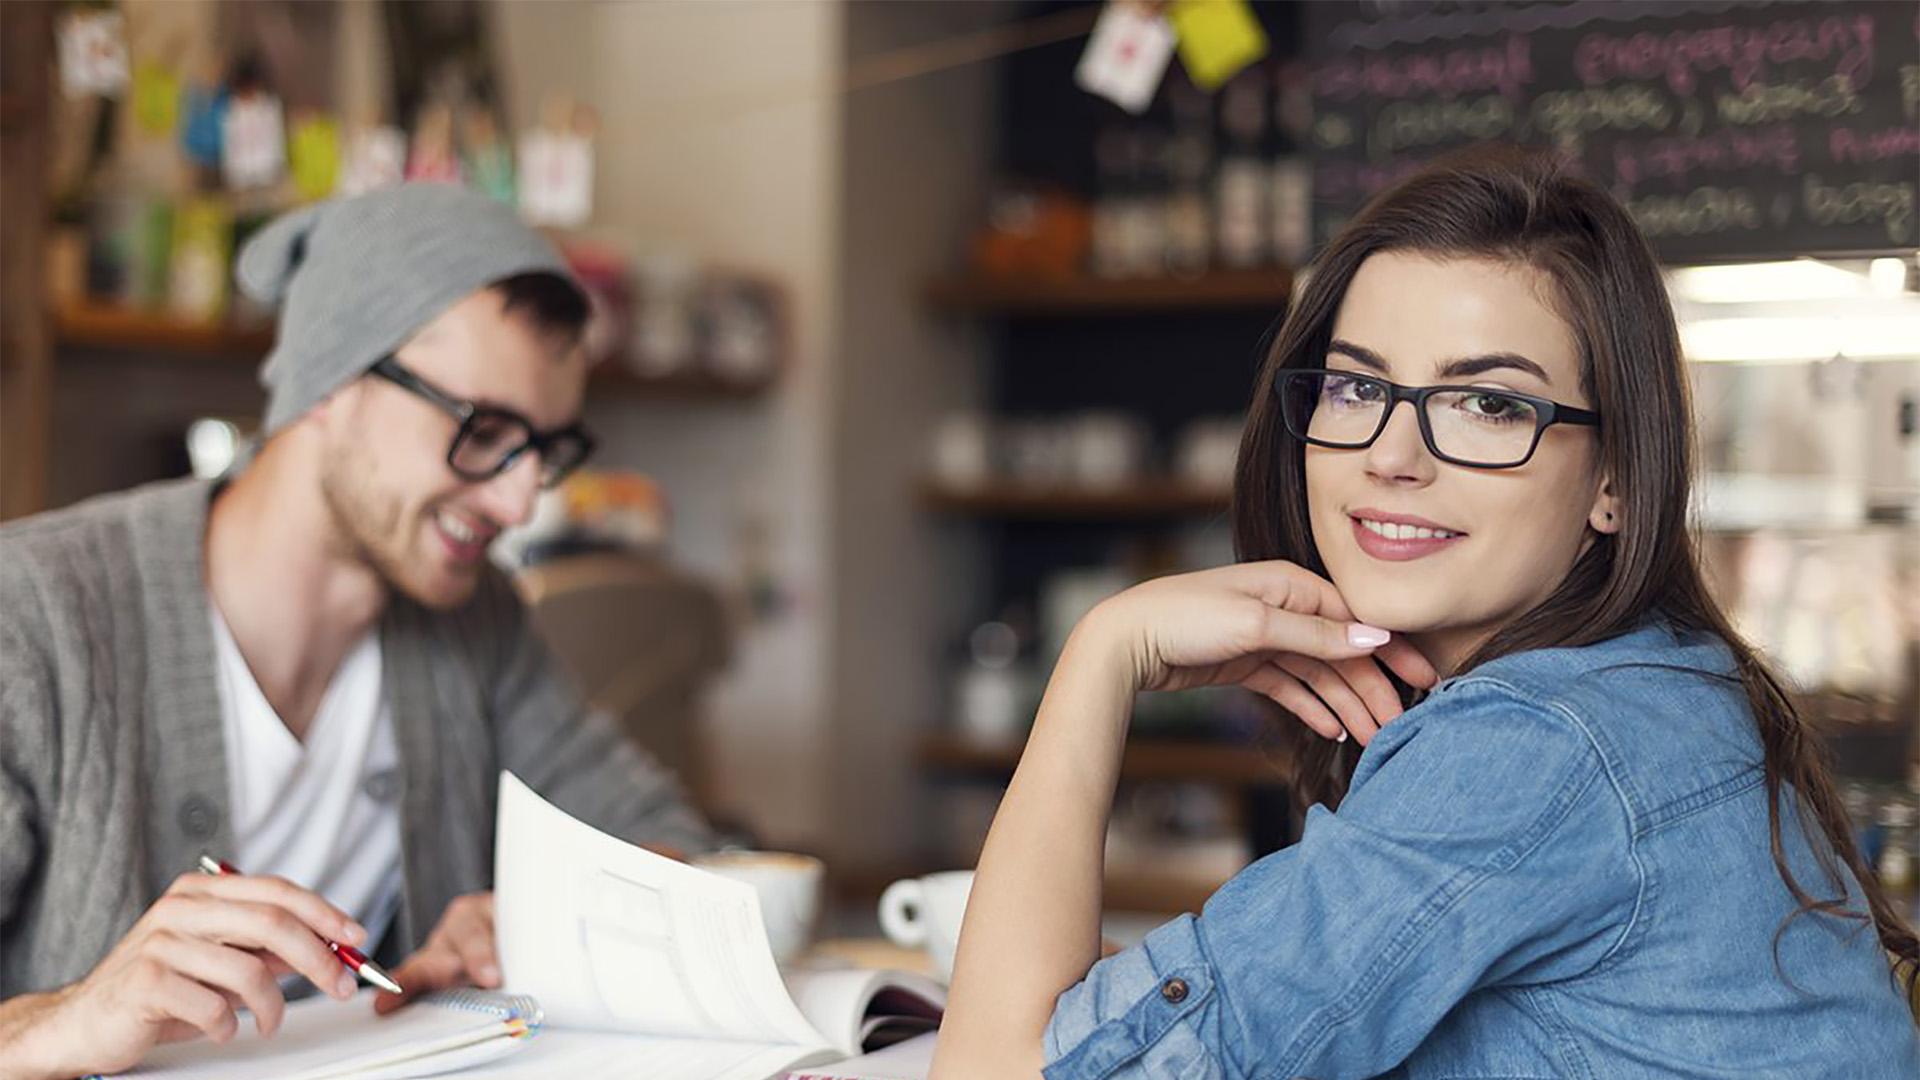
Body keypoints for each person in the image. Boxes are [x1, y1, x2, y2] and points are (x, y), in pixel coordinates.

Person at [934, 146, 1920, 1078]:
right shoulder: (1650, 681)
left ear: (1614, 477)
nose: (1392, 457)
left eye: (1488, 405)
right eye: (1359, 385)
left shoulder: (1534, 744)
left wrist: (1105, 651)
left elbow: (1002, 1067)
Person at [0, 183, 711, 1080]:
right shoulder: (31, 618)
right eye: (483, 431)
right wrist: (60, 1020)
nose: (520, 500)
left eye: (545, 450)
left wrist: (556, 914)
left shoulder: (475, 620)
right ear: (332, 380)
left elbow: (677, 848)